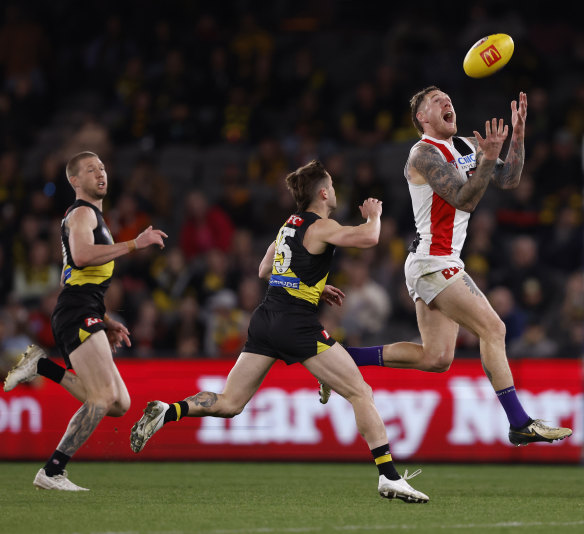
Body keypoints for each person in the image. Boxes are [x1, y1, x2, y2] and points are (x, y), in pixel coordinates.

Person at [130, 160, 429, 503]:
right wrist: (373, 214)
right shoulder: (321, 225)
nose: (334, 191)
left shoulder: (288, 226)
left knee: (229, 403)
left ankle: (170, 410)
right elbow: (370, 238)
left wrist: (317, 286)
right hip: (295, 323)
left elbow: (263, 270)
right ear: (322, 192)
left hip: (266, 317)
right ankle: (389, 477)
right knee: (361, 393)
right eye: (331, 186)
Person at [319, 87, 572, 447]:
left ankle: (337, 360)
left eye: (448, 98)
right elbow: (464, 200)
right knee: (494, 329)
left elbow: (510, 179)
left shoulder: (469, 145)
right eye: (435, 101)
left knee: (436, 358)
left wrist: (517, 137)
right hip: (431, 262)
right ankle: (519, 422)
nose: (446, 102)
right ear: (423, 118)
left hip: (439, 261)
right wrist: (487, 160)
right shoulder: (423, 154)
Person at [3, 151, 167, 491]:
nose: (100, 173)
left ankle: (43, 366)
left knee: (119, 403)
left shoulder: (92, 218)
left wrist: (106, 320)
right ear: (75, 181)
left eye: (103, 167)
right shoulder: (81, 213)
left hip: (83, 307)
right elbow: (80, 257)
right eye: (91, 170)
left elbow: (73, 279)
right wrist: (135, 243)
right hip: (77, 311)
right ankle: (52, 471)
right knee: (102, 397)